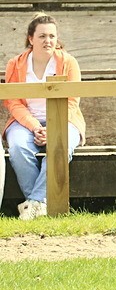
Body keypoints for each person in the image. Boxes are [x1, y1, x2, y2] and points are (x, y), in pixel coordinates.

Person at [3, 14, 85, 220]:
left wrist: (53, 128)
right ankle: (39, 206)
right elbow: (13, 102)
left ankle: (34, 204)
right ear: (31, 39)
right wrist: (34, 127)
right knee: (18, 147)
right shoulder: (16, 64)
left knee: (61, 144)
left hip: (64, 119)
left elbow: (72, 101)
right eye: (42, 36)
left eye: (51, 36)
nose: (47, 41)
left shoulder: (69, 62)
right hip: (25, 122)